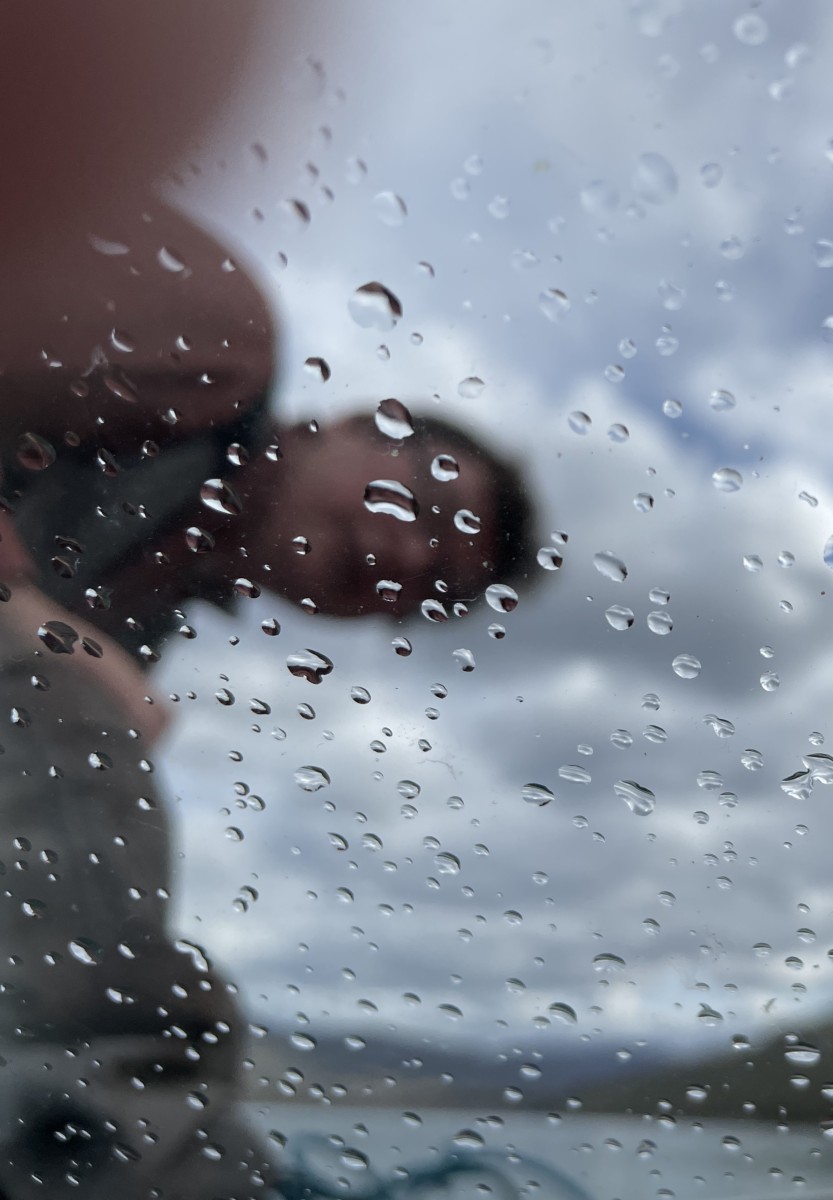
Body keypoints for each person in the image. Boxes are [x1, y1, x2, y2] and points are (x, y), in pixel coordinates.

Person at [0, 197, 535, 1199]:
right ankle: (124, 1152)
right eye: (422, 504)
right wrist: (40, 623)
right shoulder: (215, 341)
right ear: (357, 421)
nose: (405, 553)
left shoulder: (145, 623)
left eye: (427, 587)